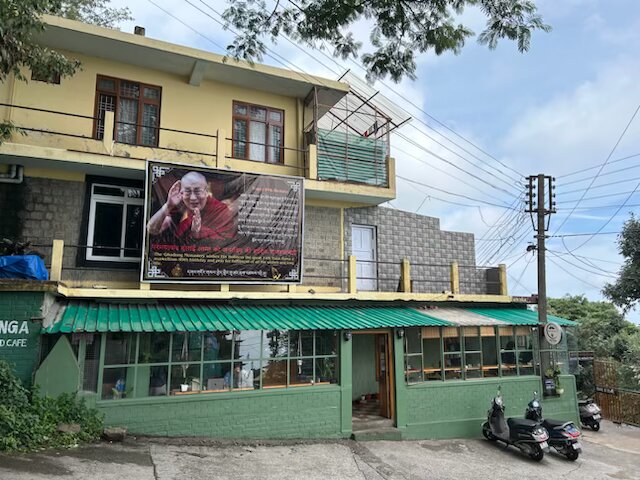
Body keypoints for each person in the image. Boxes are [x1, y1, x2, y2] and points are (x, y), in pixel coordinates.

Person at [147, 171, 236, 242]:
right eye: (188, 192)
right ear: (181, 193)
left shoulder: (220, 210)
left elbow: (226, 244)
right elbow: (151, 229)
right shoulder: (180, 209)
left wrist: (197, 233)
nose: (193, 198)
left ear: (206, 192)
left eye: (197, 191)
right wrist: (168, 205)